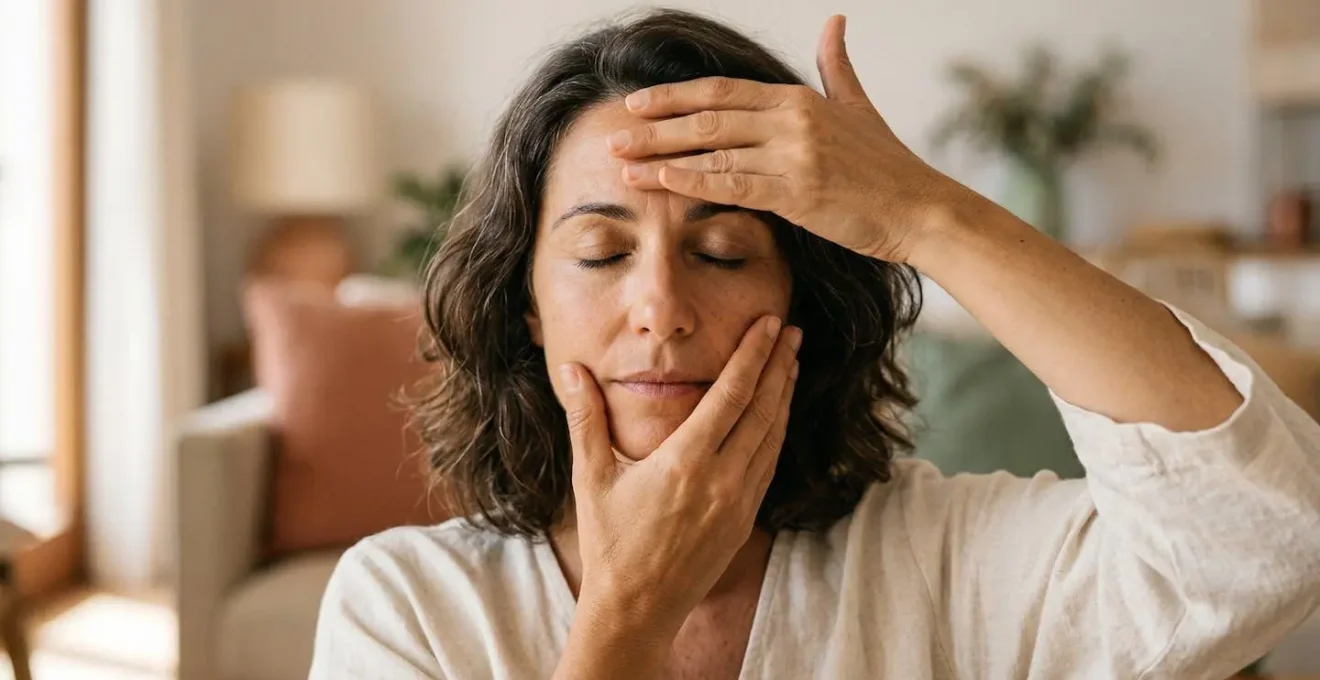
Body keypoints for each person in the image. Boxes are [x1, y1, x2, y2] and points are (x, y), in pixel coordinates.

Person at [310, 9, 1320, 679]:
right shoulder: (408, 605)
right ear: (527, 307)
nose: (659, 306)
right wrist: (629, 613)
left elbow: (1263, 534)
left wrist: (926, 215)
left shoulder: (937, 558)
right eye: (602, 252)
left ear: (799, 304)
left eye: (719, 248)